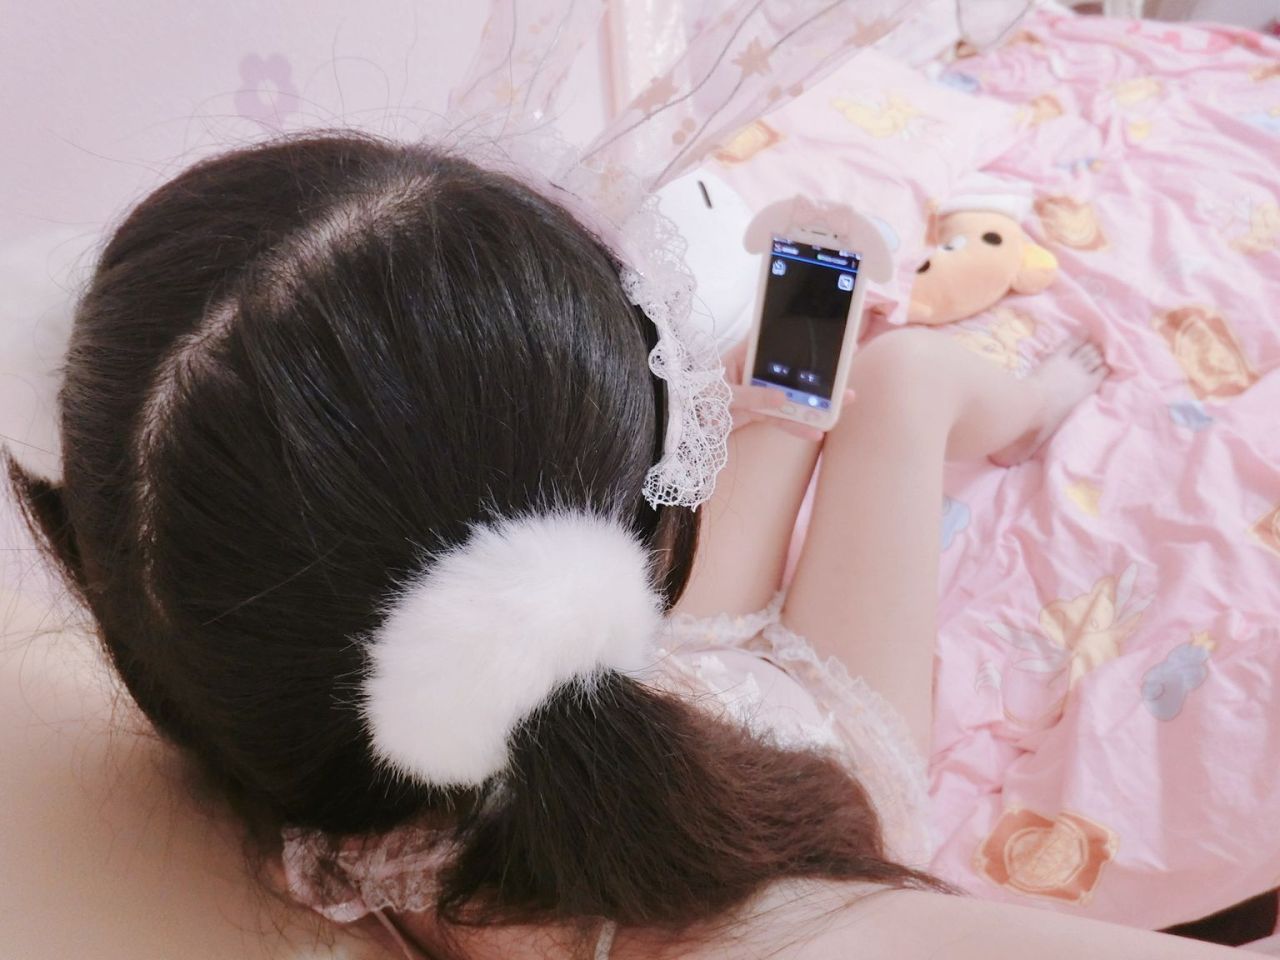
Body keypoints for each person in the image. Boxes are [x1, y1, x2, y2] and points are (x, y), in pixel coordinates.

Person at [8, 133, 1234, 960]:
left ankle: (794, 354)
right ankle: (975, 392)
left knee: (789, 398)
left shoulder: (327, 806)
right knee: (906, 381)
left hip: (627, 705)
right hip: (769, 761)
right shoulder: (798, 906)